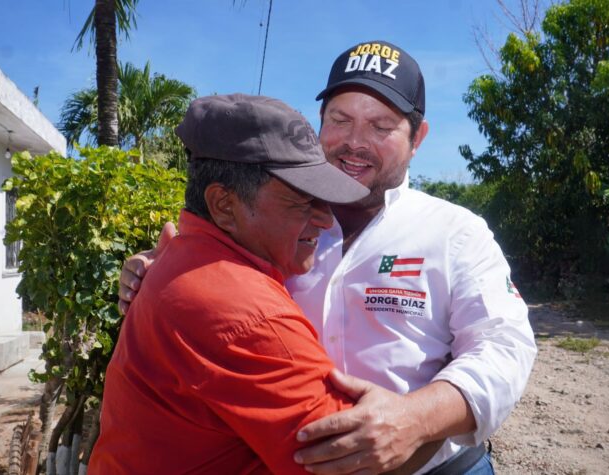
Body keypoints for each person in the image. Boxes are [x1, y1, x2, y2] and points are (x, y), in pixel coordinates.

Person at [119, 41, 537, 475]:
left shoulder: (455, 231)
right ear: (320, 122)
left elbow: (504, 345)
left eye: (381, 126)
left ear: (418, 138)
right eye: (340, 120)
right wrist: (153, 269)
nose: (355, 143)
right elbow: (212, 265)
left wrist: (416, 419)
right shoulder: (276, 216)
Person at [89, 94, 371, 474]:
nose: (325, 219)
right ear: (223, 205)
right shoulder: (248, 314)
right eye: (303, 201)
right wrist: (430, 419)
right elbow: (355, 462)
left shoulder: (185, 258)